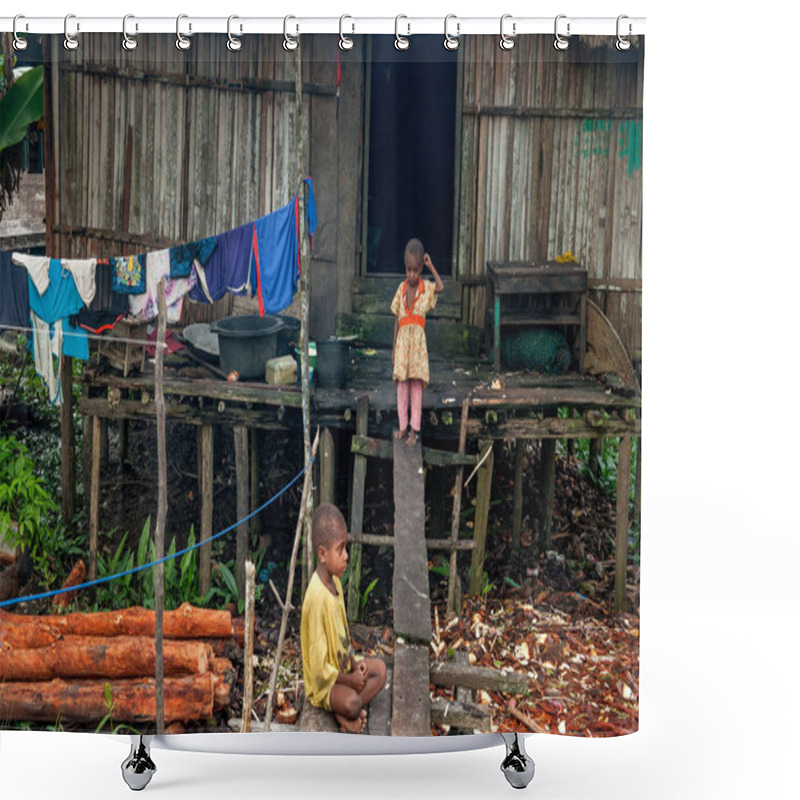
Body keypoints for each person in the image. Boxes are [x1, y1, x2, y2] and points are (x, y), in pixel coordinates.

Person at [300, 503, 387, 733]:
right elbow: (320, 670)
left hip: (342, 666)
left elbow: (342, 639)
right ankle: (343, 715)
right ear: (322, 554)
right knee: (353, 703)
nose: (347, 556)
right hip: (324, 684)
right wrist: (350, 681)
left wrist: (354, 665)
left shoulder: (336, 582)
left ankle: (345, 713)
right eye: (341, 549)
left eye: (345, 548)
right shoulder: (316, 597)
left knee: (380, 670)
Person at [390, 238, 444, 446]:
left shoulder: (425, 288)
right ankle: (402, 427)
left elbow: (440, 287)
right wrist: (394, 348)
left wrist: (431, 265)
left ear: (421, 268)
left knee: (416, 388)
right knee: (402, 386)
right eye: (408, 270)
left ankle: (414, 431)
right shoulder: (401, 289)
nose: (412, 275)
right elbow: (397, 319)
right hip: (403, 346)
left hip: (418, 349)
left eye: (416, 270)